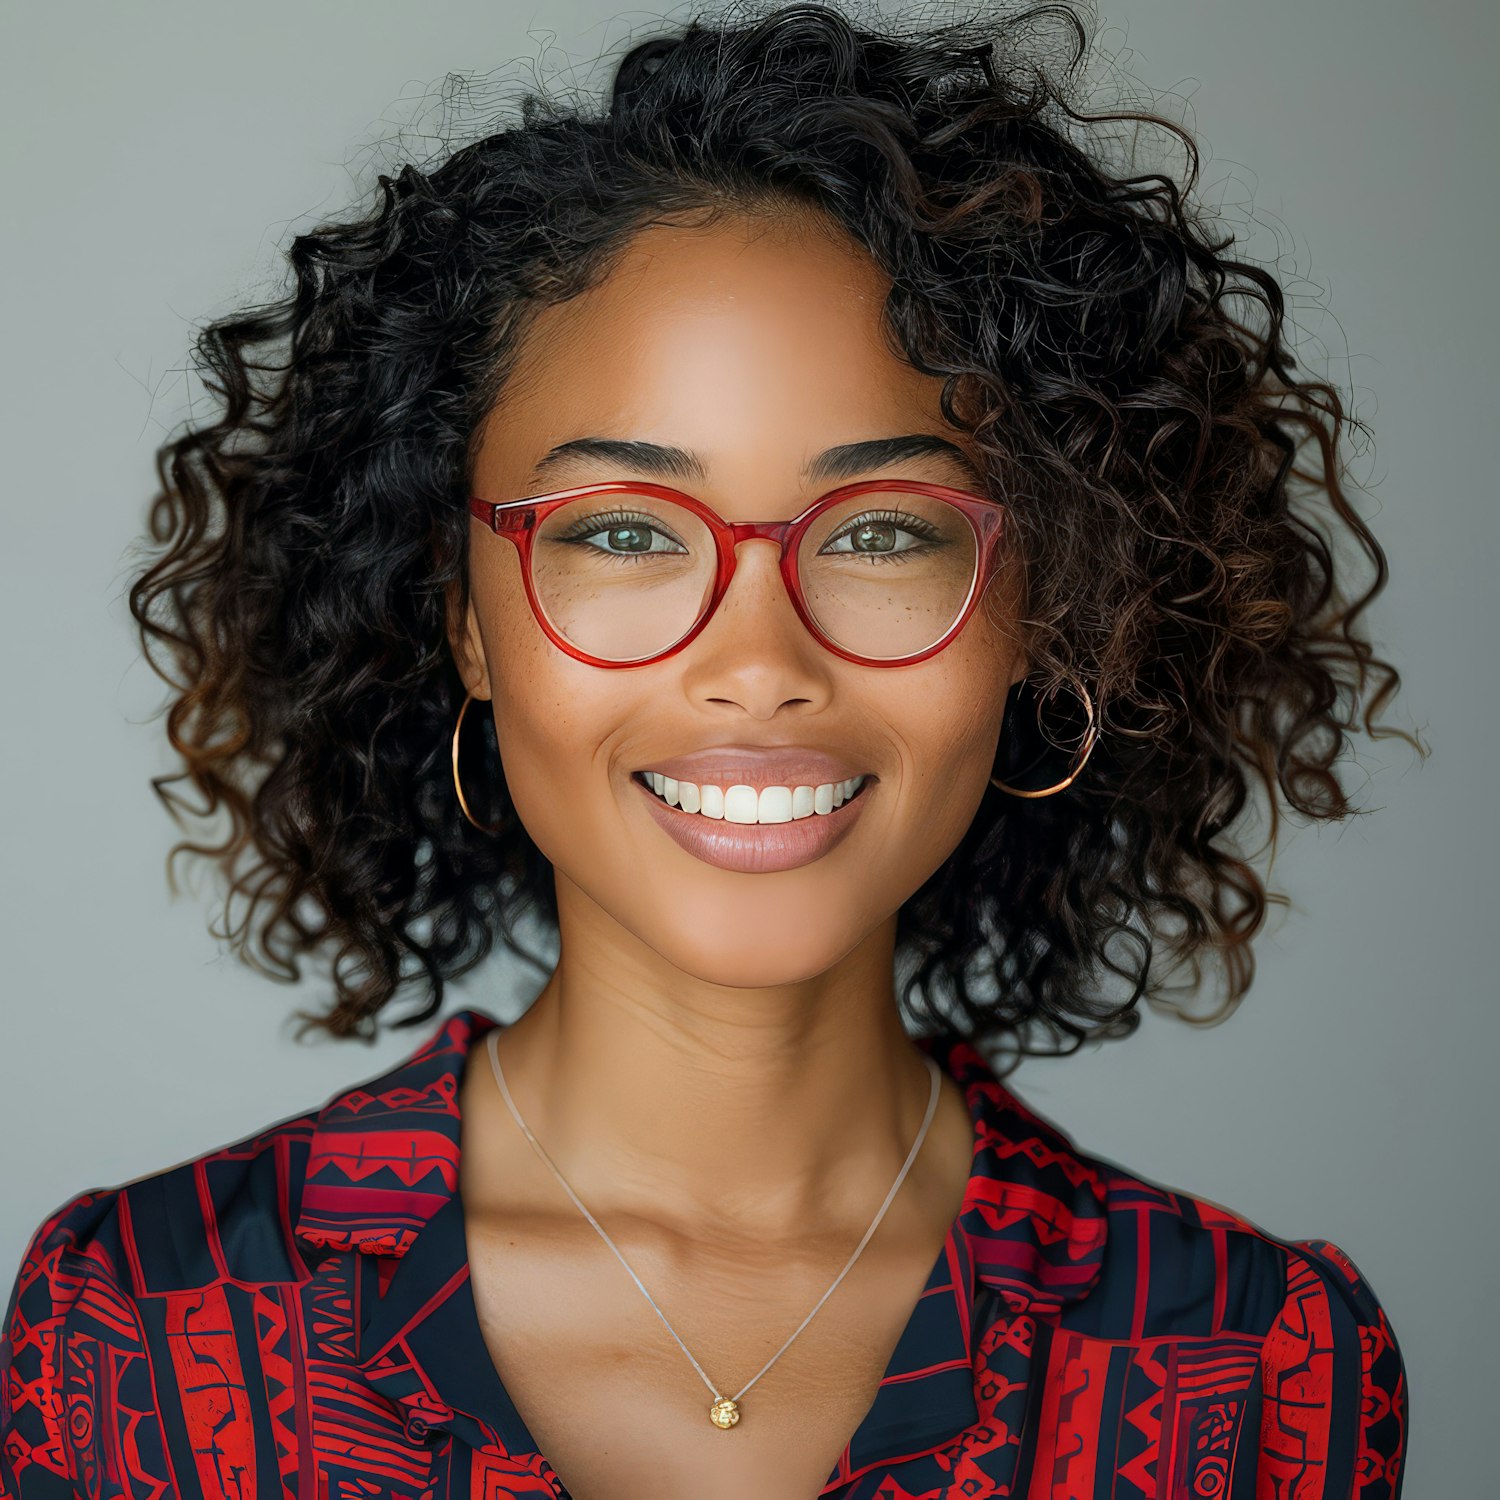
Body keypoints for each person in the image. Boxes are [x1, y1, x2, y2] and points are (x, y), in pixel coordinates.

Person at [0, 3, 1414, 1496]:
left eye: (884, 534)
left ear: (1051, 612)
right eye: (621, 531)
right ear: (464, 618)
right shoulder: (140, 1329)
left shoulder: (1266, 1373)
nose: (759, 667)